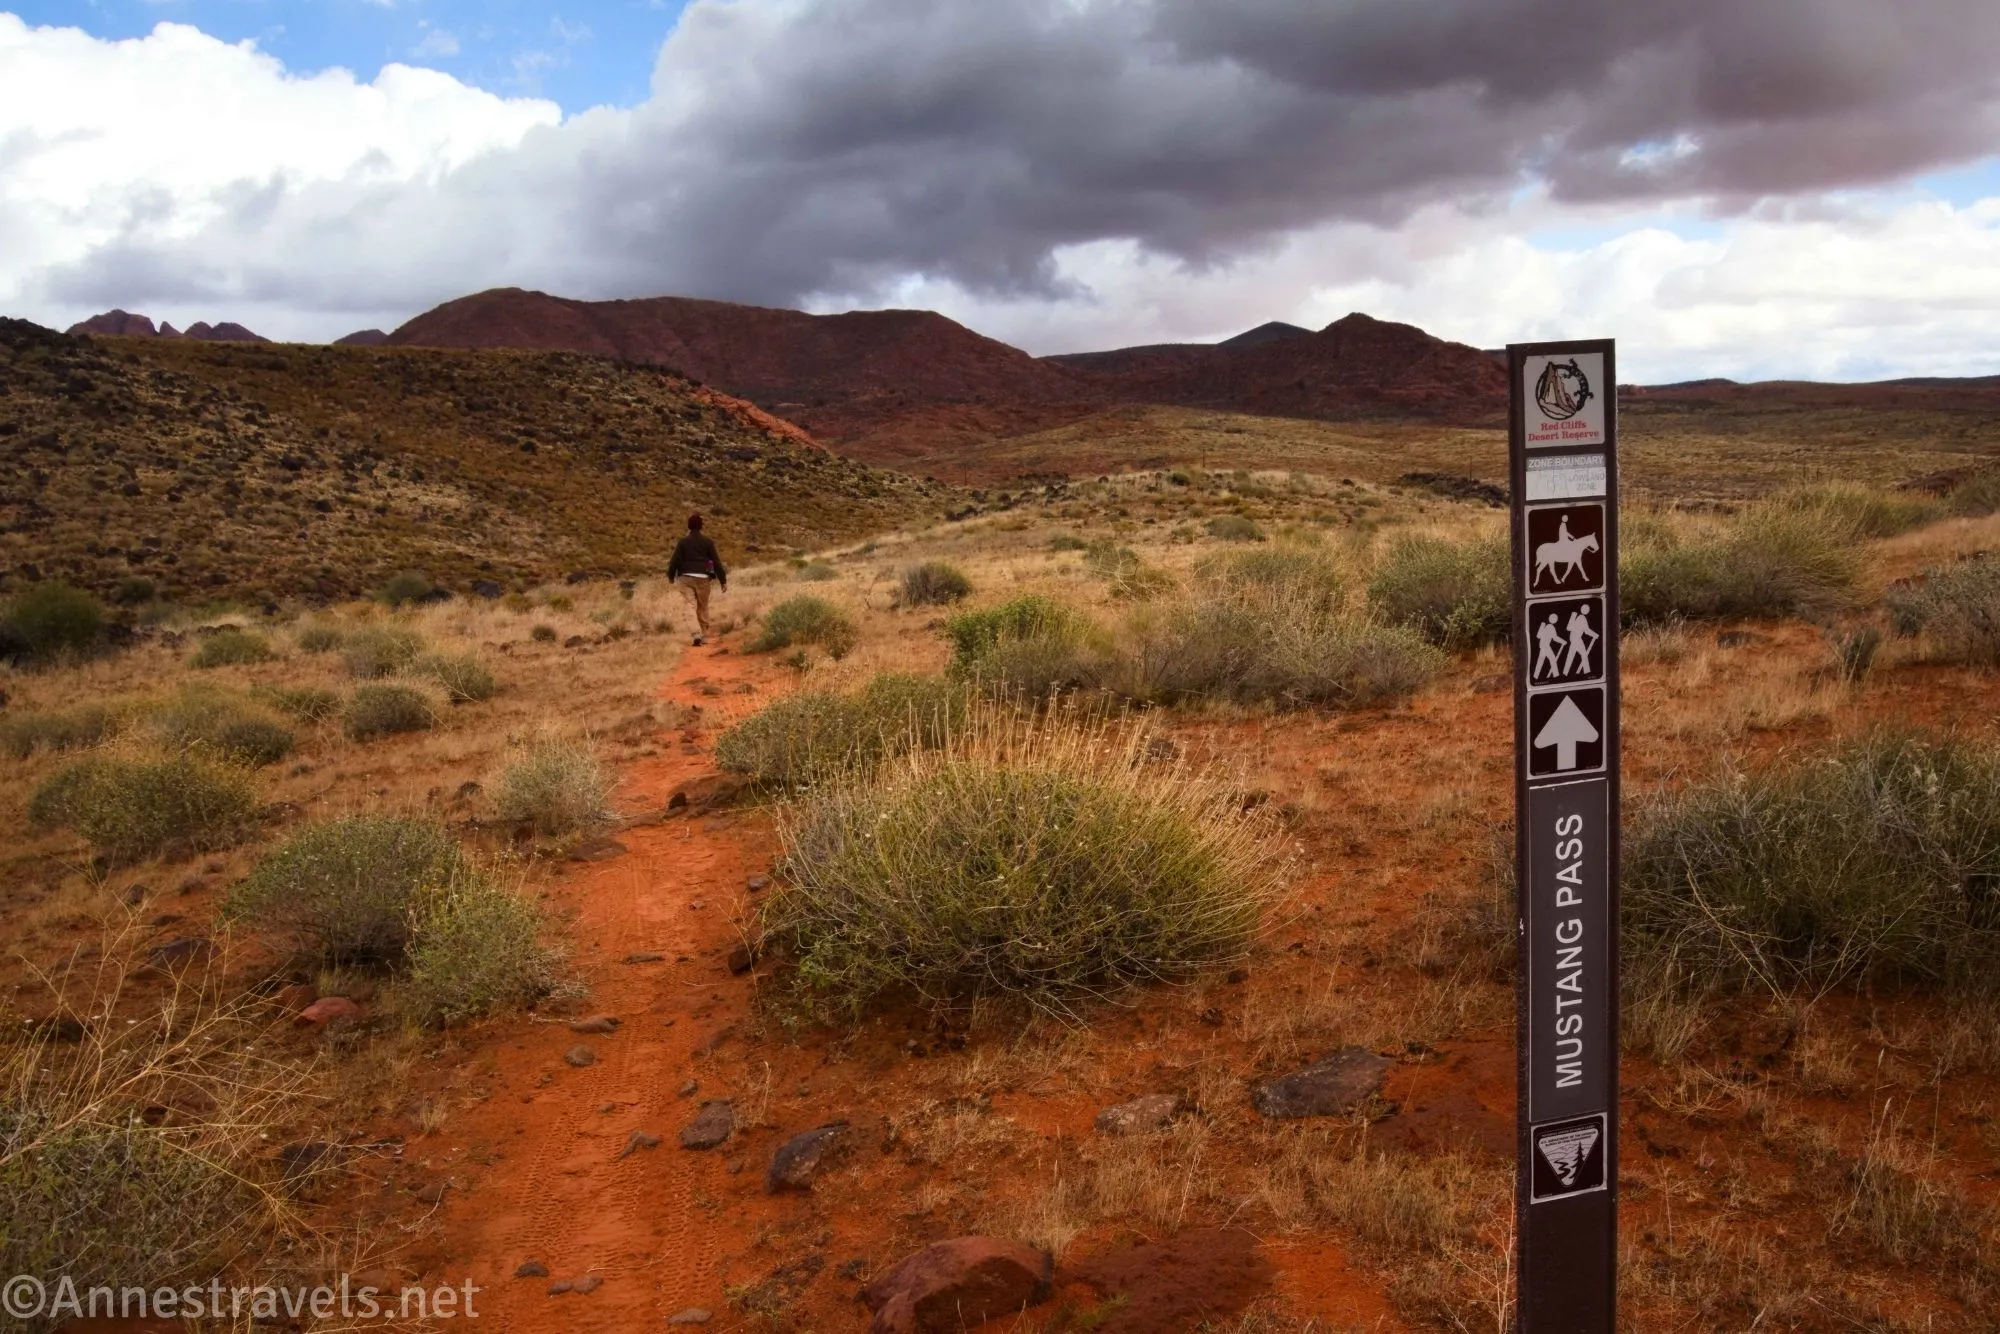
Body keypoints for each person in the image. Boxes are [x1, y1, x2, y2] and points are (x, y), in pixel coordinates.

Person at [666, 514, 727, 646]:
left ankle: (696, 634)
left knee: (690, 606)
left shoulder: (683, 542)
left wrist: (671, 575)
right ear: (701, 526)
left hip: (685, 578)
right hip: (703, 578)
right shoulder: (708, 542)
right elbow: (716, 562)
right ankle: (704, 634)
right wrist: (723, 580)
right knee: (703, 607)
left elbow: (675, 561)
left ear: (689, 526)